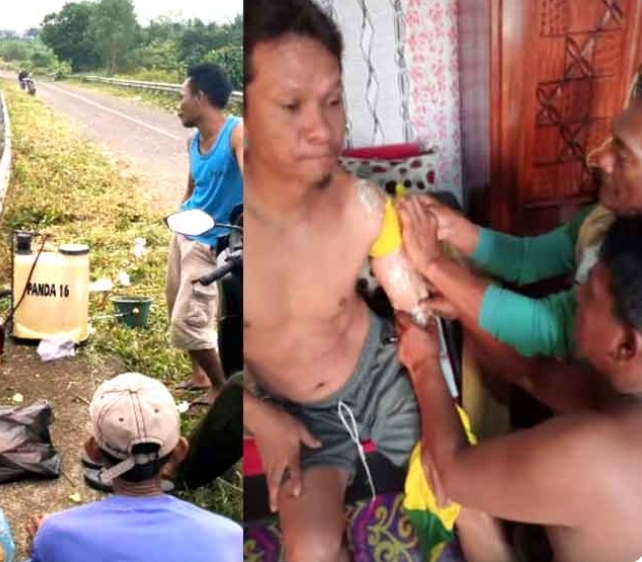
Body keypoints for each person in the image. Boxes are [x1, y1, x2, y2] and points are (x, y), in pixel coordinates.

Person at [241, 2, 510, 562]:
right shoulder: (218, 231)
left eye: (333, 101)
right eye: (290, 105)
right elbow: (200, 360)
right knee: (310, 549)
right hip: (296, 413)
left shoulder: (363, 206)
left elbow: (413, 310)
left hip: (383, 376)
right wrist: (259, 416)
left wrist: (428, 329)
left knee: (472, 498)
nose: (321, 130)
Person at [395, 215, 642, 562]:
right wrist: (464, 309)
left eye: (590, 292)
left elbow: (447, 473)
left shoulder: (594, 457)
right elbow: (534, 374)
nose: (578, 292)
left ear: (626, 346)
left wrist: (424, 365)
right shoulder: (625, 393)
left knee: (460, 497)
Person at [404, 95, 642, 359]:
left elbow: (549, 327)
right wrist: (454, 228)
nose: (600, 158)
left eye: (622, 156)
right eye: (612, 140)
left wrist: (433, 264)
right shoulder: (600, 219)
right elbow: (528, 258)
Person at [27, 373, 242, 562]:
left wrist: (45, 541)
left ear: (93, 451)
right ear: (180, 451)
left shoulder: (55, 533)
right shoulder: (229, 538)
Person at [168, 62, 244, 406]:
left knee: (188, 320)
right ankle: (199, 376)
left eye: (182, 96)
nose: (178, 105)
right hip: (185, 232)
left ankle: (222, 388)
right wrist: (179, 216)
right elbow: (193, 188)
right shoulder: (193, 140)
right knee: (175, 303)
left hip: (212, 243)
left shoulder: (237, 134)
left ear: (200, 97)